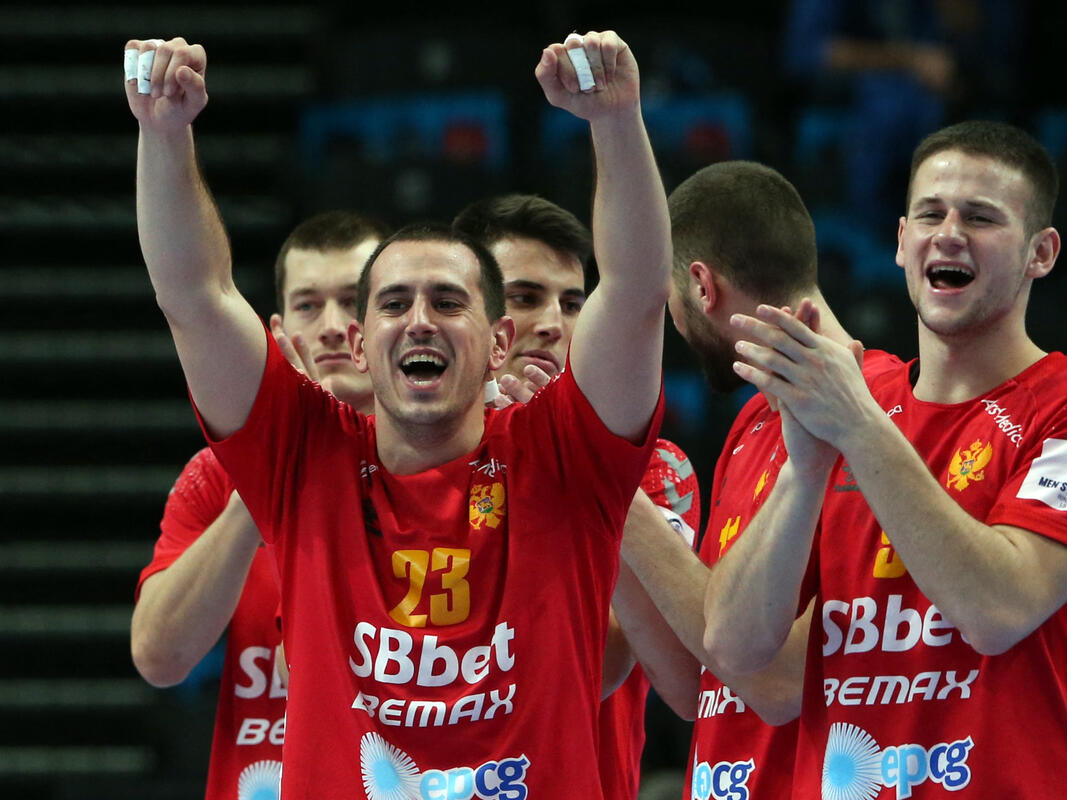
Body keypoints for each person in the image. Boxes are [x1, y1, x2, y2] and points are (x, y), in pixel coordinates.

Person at [124, 29, 670, 799]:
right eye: (393, 304)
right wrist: (163, 134)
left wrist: (616, 121)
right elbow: (196, 297)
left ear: (498, 340)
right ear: (358, 341)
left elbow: (638, 297)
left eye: (447, 301)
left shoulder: (562, 452)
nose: (419, 321)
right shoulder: (303, 456)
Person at [705, 121, 1067, 798]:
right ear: (900, 242)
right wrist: (803, 472)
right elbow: (736, 652)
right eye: (930, 214)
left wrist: (857, 427)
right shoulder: (848, 412)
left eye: (980, 217)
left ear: (1040, 253)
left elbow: (997, 609)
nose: (949, 234)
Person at [606, 160, 864, 799]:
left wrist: (606, 480)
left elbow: (777, 681)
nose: (674, 322)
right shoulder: (751, 422)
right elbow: (702, 684)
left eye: (669, 298)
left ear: (701, 286)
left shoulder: (880, 419)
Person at [130, 211, 389, 798]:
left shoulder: (458, 469)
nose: (331, 327)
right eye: (308, 305)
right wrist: (266, 474)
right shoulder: (214, 476)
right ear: (278, 331)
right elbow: (159, 658)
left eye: (352, 301)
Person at [453, 192, 703, 800]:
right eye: (524, 297)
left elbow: (620, 669)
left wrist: (583, 469)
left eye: (572, 303)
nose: (553, 323)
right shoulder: (405, 463)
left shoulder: (655, 468)